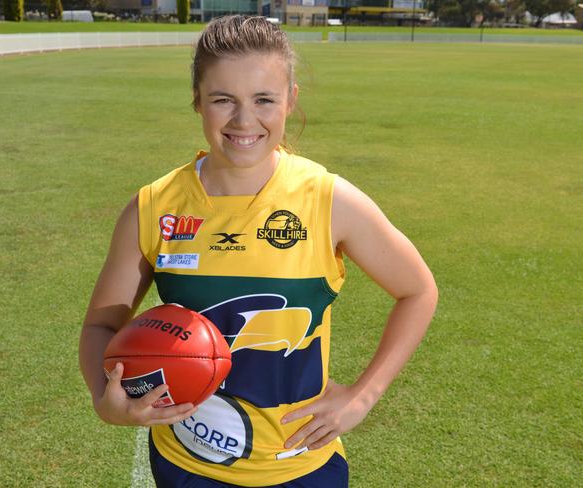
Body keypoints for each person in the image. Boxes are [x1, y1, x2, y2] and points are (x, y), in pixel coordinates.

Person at [79, 15, 438, 488]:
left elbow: (417, 290)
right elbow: (102, 324)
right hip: (186, 464)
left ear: (290, 99)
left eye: (264, 99)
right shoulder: (154, 207)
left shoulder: (330, 202)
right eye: (222, 99)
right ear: (197, 101)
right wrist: (105, 398)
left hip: (299, 463)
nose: (244, 121)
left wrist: (363, 395)